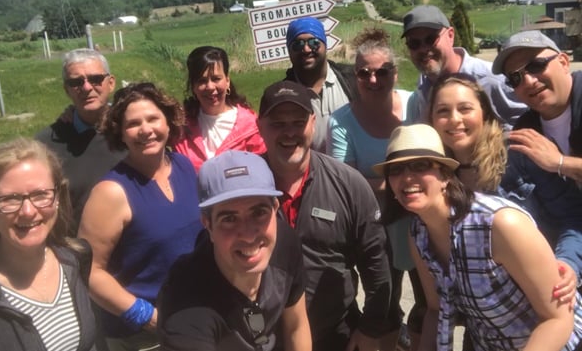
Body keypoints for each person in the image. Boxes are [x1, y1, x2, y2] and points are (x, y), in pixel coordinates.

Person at [374, 124, 582, 351]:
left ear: (445, 176)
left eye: (420, 165)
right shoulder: (418, 233)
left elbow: (558, 318)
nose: (407, 177)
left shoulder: (499, 224)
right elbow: (435, 310)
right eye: (396, 170)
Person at [257, 80, 391, 351]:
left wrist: (370, 329)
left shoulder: (348, 184)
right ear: (259, 126)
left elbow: (376, 265)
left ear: (313, 123)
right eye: (278, 124)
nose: (289, 133)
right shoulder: (245, 189)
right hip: (264, 339)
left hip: (335, 334)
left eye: (297, 122)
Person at [78, 83, 203, 351]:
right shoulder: (111, 192)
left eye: (153, 118)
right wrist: (146, 316)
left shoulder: (182, 165)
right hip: (142, 337)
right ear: (120, 133)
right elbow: (88, 270)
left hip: (192, 319)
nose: (146, 130)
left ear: (168, 123)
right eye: (133, 124)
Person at [158, 150, 311, 351]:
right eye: (229, 219)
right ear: (207, 224)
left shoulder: (284, 243)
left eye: (259, 213)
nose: (248, 235)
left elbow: (296, 326)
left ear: (275, 209)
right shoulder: (185, 301)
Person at [326, 27, 415, 350]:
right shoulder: (341, 122)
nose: (373, 80)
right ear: (355, 76)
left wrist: (378, 183)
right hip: (379, 228)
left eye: (382, 72)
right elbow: (344, 182)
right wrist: (406, 183)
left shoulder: (414, 105)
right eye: (364, 73)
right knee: (386, 306)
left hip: (423, 221)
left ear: (396, 72)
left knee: (432, 302)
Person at [0, 138, 101, 351]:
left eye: (40, 195)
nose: (28, 211)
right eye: (10, 199)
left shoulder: (75, 259)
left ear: (57, 198)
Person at [491, 30, 582, 284]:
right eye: (516, 77)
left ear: (563, 62)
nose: (529, 81)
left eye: (536, 65)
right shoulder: (526, 131)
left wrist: (560, 164)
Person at [36, 48, 126, 227]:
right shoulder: (45, 145)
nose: (86, 87)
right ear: (67, 90)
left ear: (111, 82)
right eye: (76, 82)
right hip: (77, 248)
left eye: (95, 79)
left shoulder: (130, 131)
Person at [402, 5, 526, 127]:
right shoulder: (423, 85)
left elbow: (525, 126)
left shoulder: (491, 80)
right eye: (414, 43)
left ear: (450, 36)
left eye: (431, 39)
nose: (423, 48)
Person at [174, 46, 266, 172]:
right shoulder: (180, 128)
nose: (210, 87)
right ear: (193, 86)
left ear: (227, 81)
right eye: (202, 81)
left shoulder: (251, 126)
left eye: (216, 79)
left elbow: (262, 172)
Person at [283, 16, 357, 152]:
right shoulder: (283, 95)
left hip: (353, 170)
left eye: (314, 42)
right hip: (312, 172)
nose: (306, 49)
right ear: (289, 51)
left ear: (325, 45)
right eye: (297, 44)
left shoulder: (353, 79)